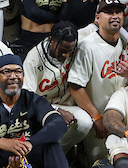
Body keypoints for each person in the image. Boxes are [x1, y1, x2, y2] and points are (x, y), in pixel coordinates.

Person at [67, 0, 128, 168]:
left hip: (126, 119)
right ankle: (78, 159)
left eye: (118, 12)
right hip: (99, 121)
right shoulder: (87, 46)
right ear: (98, 18)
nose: (114, 16)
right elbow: (75, 86)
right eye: (109, 12)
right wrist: (96, 117)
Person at [23, 21, 92, 154]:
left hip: (68, 105)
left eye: (70, 51)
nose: (66, 55)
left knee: (85, 122)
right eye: (62, 51)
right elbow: (28, 97)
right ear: (51, 40)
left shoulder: (76, 39)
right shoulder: (33, 59)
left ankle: (58, 153)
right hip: (42, 108)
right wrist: (56, 110)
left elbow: (96, 26)